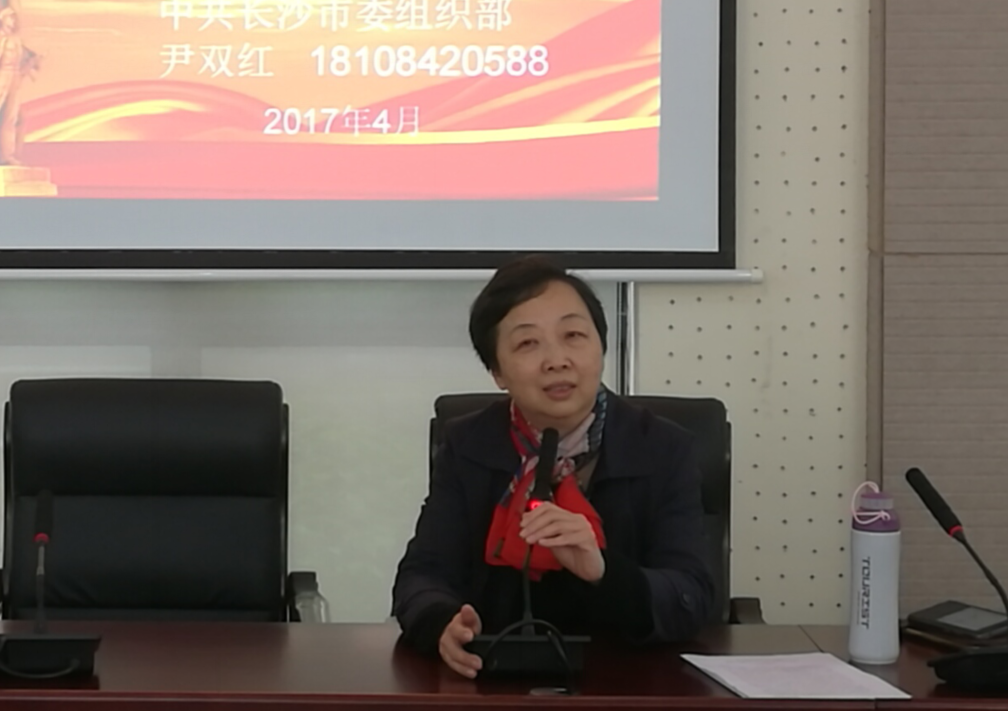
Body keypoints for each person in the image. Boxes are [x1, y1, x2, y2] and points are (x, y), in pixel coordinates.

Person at [391, 255, 715, 679]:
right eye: (528, 343)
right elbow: (422, 576)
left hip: (630, 682)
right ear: (497, 371)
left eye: (573, 335)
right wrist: (442, 623)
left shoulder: (661, 447)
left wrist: (604, 571)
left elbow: (691, 595)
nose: (556, 360)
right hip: (495, 679)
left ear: (601, 347)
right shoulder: (469, 444)